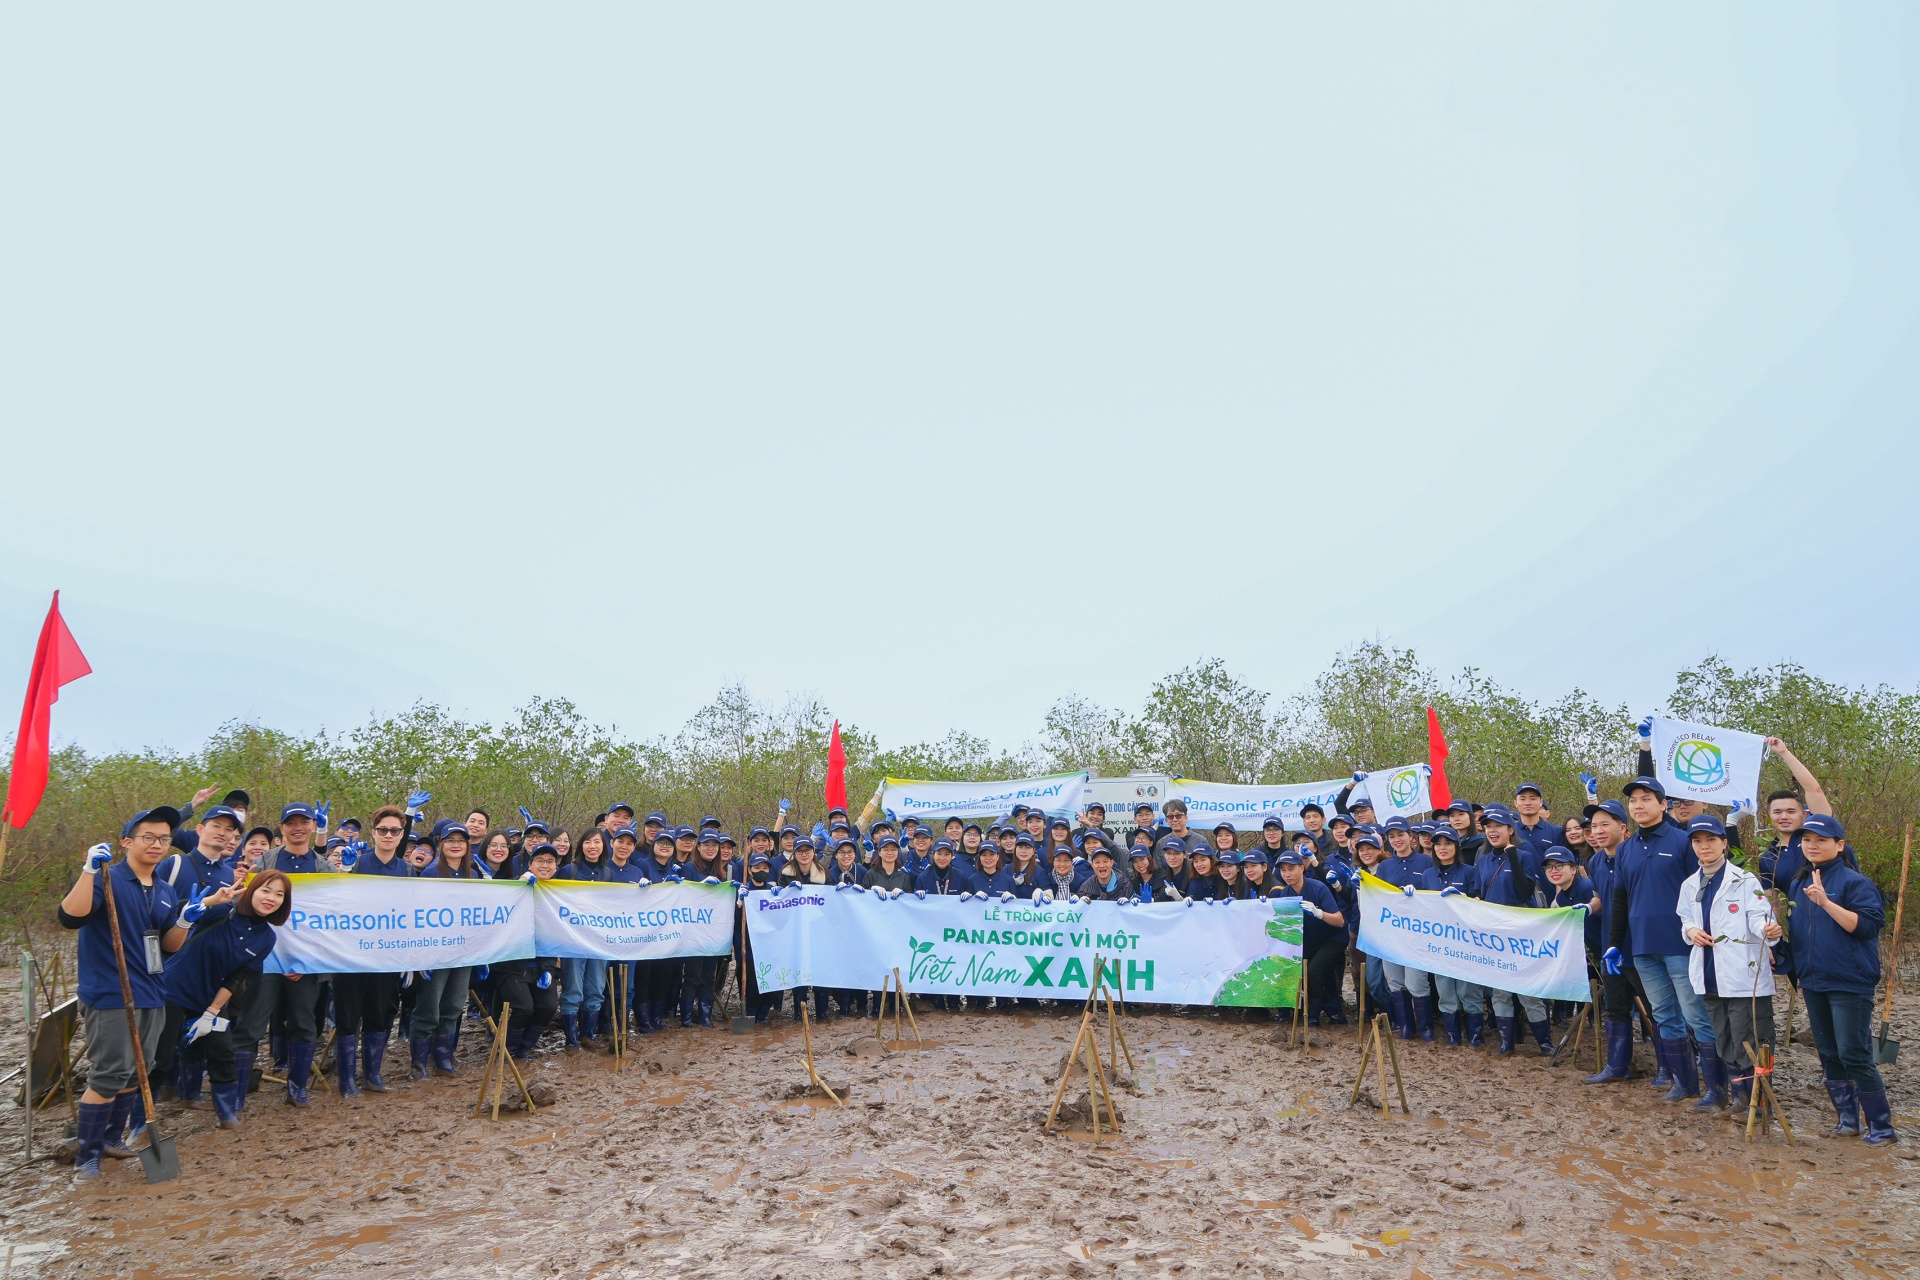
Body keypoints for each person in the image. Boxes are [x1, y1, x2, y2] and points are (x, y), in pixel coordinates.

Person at [60, 808, 188, 1180]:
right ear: (127, 841)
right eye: (148, 837)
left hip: (151, 992)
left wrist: (185, 920)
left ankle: (113, 1140)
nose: (157, 844)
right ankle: (88, 1155)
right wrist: (87, 870)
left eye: (164, 838)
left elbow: (168, 946)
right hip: (111, 994)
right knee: (109, 1074)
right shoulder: (106, 877)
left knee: (138, 1072)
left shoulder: (164, 890)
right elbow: (70, 917)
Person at [1778, 814, 1895, 1144]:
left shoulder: (1855, 883)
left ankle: (1883, 1128)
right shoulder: (1797, 883)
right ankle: (1847, 1121)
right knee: (1828, 1053)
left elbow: (1867, 927)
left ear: (1839, 845)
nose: (1812, 845)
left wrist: (1826, 902)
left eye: (1821, 840)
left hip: (1849, 981)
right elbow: (1800, 933)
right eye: (1807, 840)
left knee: (1854, 1054)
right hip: (1814, 981)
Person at [1605, 776, 1713, 1102]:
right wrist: (1614, 942)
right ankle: (1685, 1084)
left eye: (1646, 799)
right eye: (1634, 800)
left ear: (1664, 805)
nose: (1638, 805)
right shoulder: (1625, 850)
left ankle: (1717, 1088)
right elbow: (1620, 900)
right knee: (1664, 1015)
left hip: (1681, 944)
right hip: (1643, 947)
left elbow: (1702, 892)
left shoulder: (1683, 842)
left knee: (1696, 1015)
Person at [161, 870, 290, 1130]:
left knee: (222, 1051)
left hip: (209, 998)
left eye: (279, 894)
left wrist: (211, 1013)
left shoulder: (266, 937)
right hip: (172, 992)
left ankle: (226, 1113)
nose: (271, 898)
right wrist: (210, 902)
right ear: (251, 890)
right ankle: (140, 1119)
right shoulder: (222, 912)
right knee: (161, 1058)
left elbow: (235, 977)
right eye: (265, 890)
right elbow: (182, 913)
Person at [1676, 815, 1775, 1116]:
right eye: (1697, 841)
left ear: (1724, 843)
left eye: (1710, 840)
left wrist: (1769, 930)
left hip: (1744, 976)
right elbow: (1685, 918)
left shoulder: (1746, 881)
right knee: (1725, 1039)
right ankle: (1740, 1098)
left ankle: (1761, 1103)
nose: (1704, 846)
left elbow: (1760, 916)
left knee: (1752, 1039)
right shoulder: (1690, 883)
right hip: (1709, 974)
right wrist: (1691, 931)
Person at [333, 806, 411, 1096]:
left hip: (386, 956)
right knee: (347, 1016)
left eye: (394, 831)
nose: (388, 835)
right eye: (382, 830)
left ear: (401, 834)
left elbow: (414, 913)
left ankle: (372, 1076)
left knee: (380, 1014)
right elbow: (336, 901)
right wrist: (344, 871)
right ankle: (346, 1079)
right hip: (351, 955)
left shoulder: (406, 870)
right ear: (374, 832)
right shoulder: (357, 863)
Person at [1475, 807, 1552, 1055]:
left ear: (1510, 829)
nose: (1492, 831)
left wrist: (1512, 856)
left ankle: (1545, 1043)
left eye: (1498, 826)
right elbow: (1478, 891)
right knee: (1499, 991)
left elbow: (1524, 892)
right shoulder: (1483, 860)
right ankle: (1506, 1043)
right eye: (1488, 826)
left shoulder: (1525, 855)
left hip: (1520, 931)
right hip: (1493, 933)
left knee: (1528, 989)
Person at [412, 820, 482, 1079]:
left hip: (463, 951)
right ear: (441, 844)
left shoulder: (473, 875)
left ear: (467, 846)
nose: (456, 845)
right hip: (436, 951)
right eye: (450, 840)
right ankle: (418, 1063)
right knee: (429, 1006)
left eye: (460, 841)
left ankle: (443, 1057)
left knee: (453, 1005)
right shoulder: (431, 873)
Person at [1420, 828, 1483, 1046]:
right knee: (1445, 989)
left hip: (1466, 941)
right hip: (1440, 942)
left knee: (1468, 989)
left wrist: (1465, 898)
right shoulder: (1428, 875)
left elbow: (1479, 900)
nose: (1442, 848)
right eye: (1438, 844)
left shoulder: (1469, 872)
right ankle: (1452, 1034)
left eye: (1448, 843)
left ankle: (1476, 1035)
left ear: (1457, 846)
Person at [1374, 817, 1435, 1041]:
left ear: (1411, 836)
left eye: (1400, 835)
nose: (1397, 840)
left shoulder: (1426, 862)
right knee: (1395, 981)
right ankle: (1406, 1026)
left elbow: (1433, 895)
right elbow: (1378, 897)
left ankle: (1427, 1027)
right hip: (1391, 932)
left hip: (1418, 933)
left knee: (1416, 982)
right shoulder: (1385, 866)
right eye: (1391, 836)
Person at [1273, 850, 1346, 1025]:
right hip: (1309, 940)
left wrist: (1319, 913)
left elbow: (1340, 921)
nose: (1287, 874)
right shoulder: (1285, 894)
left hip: (1333, 938)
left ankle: (1312, 1014)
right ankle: (1333, 1012)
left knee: (1313, 971)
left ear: (1302, 868)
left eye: (1291, 869)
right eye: (1283, 870)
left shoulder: (1318, 888)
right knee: (1308, 970)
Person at [556, 826, 612, 1049]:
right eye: (588, 842)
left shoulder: (608, 874)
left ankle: (588, 1035)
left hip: (599, 942)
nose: (592, 846)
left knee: (596, 988)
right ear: (581, 846)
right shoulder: (568, 871)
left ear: (603, 846)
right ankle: (571, 1041)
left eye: (597, 842)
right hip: (572, 941)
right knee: (572, 989)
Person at [1512, 783, 1564, 855]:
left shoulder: (1557, 832)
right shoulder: (1509, 831)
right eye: (1522, 799)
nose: (1527, 803)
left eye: (1533, 798)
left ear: (1541, 802)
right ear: (1516, 803)